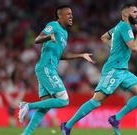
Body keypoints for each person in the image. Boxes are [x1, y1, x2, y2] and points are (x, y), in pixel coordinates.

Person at [61, 3, 137, 135]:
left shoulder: (119, 26)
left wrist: (114, 46)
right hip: (114, 70)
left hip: (122, 70)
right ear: (125, 14)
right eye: (134, 12)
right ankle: (67, 125)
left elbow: (104, 37)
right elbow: (134, 48)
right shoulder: (125, 27)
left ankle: (116, 118)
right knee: (97, 101)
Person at [18, 5, 95, 135]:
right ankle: (28, 106)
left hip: (48, 68)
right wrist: (48, 37)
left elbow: (61, 55)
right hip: (46, 68)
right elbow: (37, 39)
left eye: (72, 14)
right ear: (60, 16)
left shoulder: (64, 33)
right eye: (68, 14)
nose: (71, 16)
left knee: (45, 107)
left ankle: (25, 134)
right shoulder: (53, 25)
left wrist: (80, 55)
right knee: (64, 100)